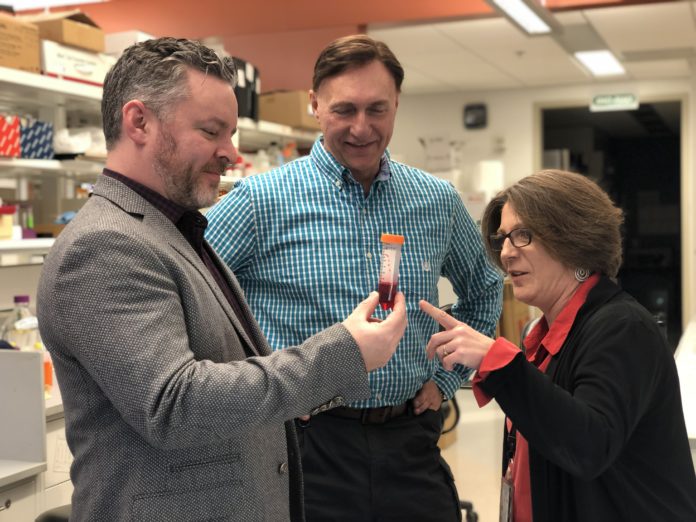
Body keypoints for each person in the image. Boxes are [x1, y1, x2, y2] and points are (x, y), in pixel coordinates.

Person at [36, 37, 408, 522]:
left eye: (231, 133)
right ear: (139, 122)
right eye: (212, 131)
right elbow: (176, 404)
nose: (230, 153)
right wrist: (343, 353)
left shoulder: (176, 228)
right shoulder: (105, 245)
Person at [205, 34, 503, 521]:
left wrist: (447, 379)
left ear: (397, 106)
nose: (361, 128)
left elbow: (485, 287)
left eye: (377, 109)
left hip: (410, 438)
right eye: (344, 110)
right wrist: (259, 385)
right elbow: (191, 291)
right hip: (303, 445)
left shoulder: (436, 201)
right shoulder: (260, 201)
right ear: (315, 104)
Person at [420, 169, 696, 522]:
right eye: (502, 237)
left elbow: (589, 445)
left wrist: (498, 362)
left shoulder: (623, 329)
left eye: (522, 236)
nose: (505, 253)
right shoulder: (545, 333)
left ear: (574, 240)